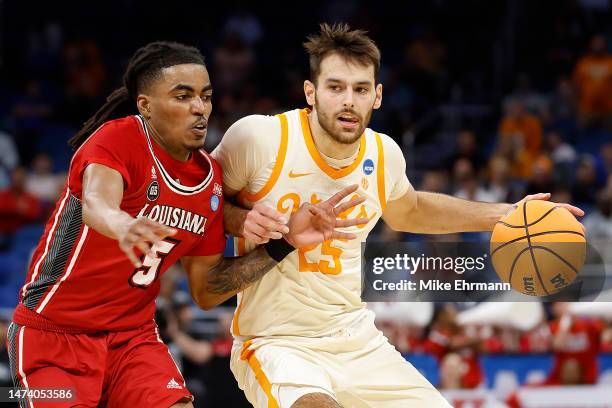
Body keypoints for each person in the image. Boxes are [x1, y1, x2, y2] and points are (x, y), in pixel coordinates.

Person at [213, 23, 584, 408]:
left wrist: (505, 214)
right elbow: (196, 202)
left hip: (356, 338)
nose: (348, 101)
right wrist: (242, 221)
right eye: (335, 87)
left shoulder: (382, 153)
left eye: (360, 90)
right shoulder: (258, 139)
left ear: (377, 96)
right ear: (311, 92)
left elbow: (411, 210)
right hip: (278, 342)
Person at [7, 41, 365, 407]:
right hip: (53, 335)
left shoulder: (209, 179)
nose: (199, 108)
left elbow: (207, 291)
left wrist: (283, 243)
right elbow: (97, 202)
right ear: (145, 105)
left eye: (205, 97)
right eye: (183, 96)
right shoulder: (120, 138)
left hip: (132, 338)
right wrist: (122, 223)